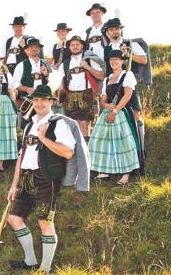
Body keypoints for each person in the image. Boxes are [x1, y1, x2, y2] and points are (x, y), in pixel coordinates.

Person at [6, 85, 76, 274]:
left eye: (43, 99)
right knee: (14, 218)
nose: (39, 103)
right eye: (36, 100)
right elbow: (21, 156)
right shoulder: (29, 123)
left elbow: (68, 152)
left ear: (51, 102)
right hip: (27, 178)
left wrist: (43, 138)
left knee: (45, 221)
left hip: (46, 178)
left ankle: (45, 269)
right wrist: (14, 185)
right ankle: (30, 261)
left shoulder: (58, 123)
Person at [89, 50, 141, 185]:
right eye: (111, 60)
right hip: (108, 112)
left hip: (122, 113)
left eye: (116, 59)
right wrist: (105, 105)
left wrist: (116, 111)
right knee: (100, 141)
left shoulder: (127, 75)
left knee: (124, 143)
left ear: (122, 61)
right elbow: (103, 99)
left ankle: (126, 174)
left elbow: (127, 95)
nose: (113, 62)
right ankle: (104, 169)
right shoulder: (108, 78)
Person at [58, 35, 105, 140]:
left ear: (82, 46)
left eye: (77, 44)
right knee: (71, 126)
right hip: (69, 95)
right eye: (72, 45)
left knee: (84, 124)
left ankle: (86, 152)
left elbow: (102, 76)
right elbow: (61, 84)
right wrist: (60, 98)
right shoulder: (64, 64)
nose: (75, 46)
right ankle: (74, 152)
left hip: (86, 94)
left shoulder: (89, 60)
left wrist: (87, 67)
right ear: (69, 47)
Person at [103, 17, 148, 122]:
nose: (114, 31)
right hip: (113, 84)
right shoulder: (106, 49)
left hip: (129, 82)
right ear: (108, 32)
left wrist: (128, 54)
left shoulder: (131, 44)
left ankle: (138, 139)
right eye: (111, 29)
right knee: (112, 114)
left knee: (135, 114)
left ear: (120, 30)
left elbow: (144, 60)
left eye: (116, 29)